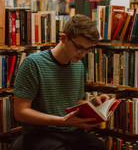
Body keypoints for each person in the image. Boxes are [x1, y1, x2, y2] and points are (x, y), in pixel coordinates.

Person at [14, 14, 109, 150]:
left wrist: (93, 103)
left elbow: (75, 102)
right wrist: (61, 121)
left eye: (87, 49)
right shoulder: (33, 63)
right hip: (41, 133)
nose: (82, 54)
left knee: (100, 146)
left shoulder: (78, 65)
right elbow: (20, 112)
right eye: (79, 47)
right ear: (63, 38)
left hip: (72, 132)